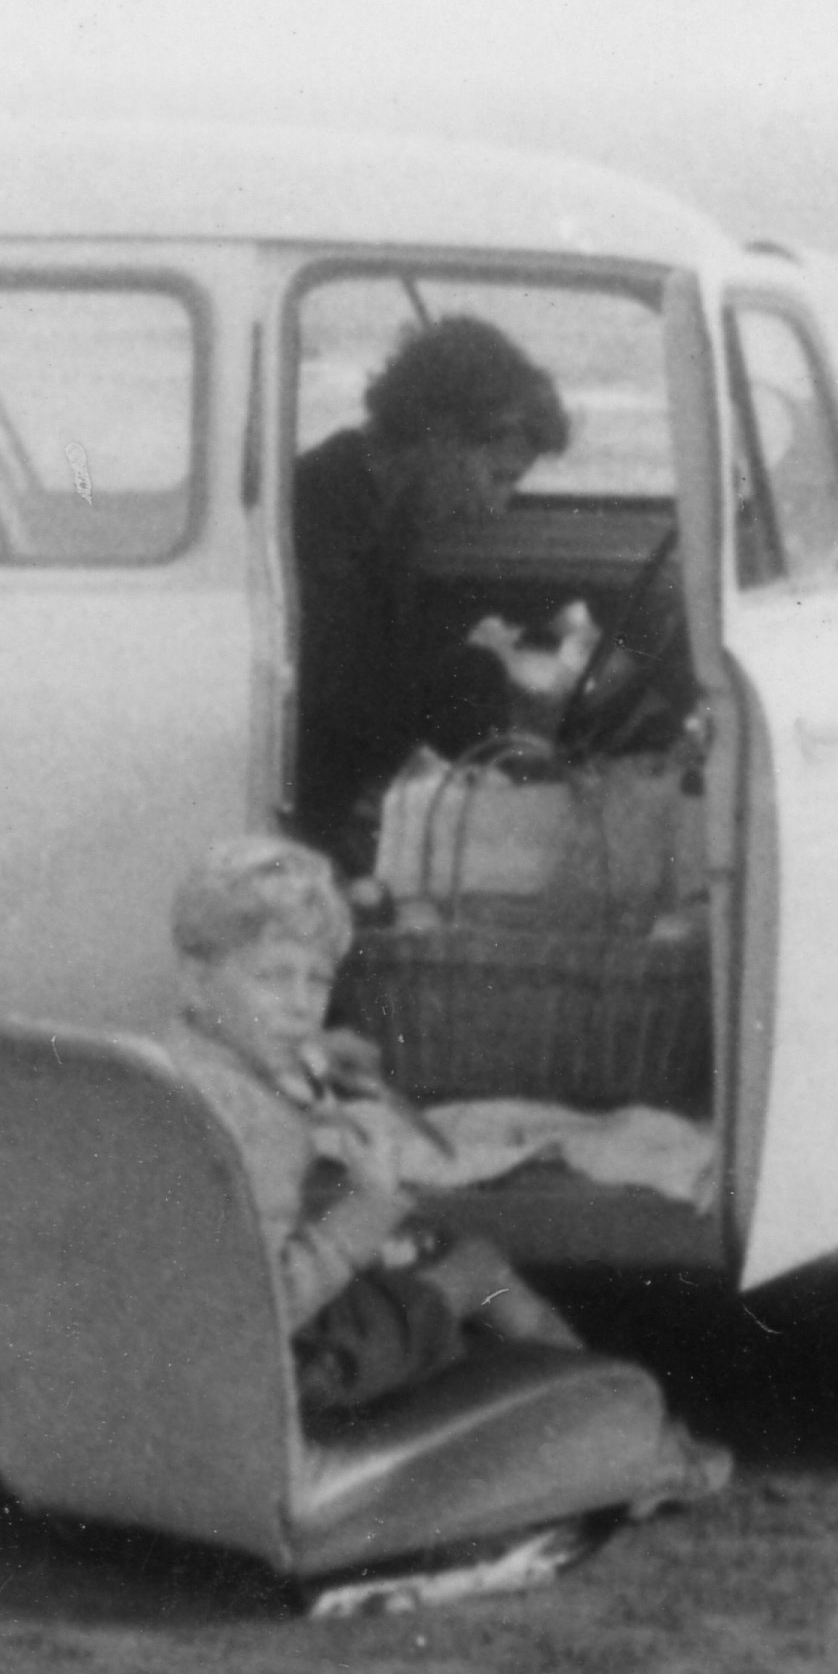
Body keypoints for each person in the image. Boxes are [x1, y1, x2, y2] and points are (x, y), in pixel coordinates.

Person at [160, 837, 592, 1417]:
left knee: (421, 1251)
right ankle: (627, 1439)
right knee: (477, 1263)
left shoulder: (170, 1066)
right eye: (273, 977)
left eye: (316, 981)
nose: (301, 1008)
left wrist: (304, 1055)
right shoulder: (256, 1122)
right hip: (285, 1374)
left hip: (169, 1353)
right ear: (196, 979)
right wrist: (370, 1205)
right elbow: (263, 1310)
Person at [288, 315, 591, 870]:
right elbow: (345, 696)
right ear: (443, 435)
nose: (497, 506)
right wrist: (486, 687)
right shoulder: (321, 507)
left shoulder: (387, 505)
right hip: (314, 805)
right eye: (498, 477)